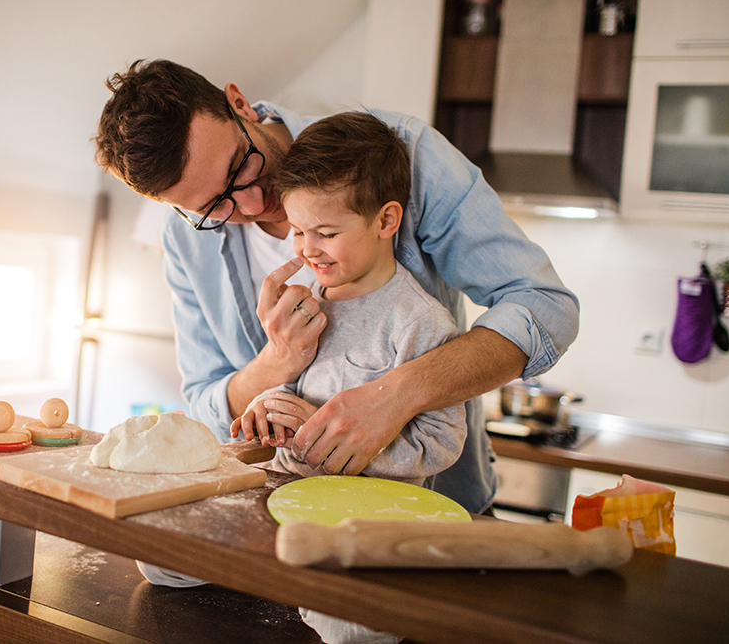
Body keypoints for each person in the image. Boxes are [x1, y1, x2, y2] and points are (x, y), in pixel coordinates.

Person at [94, 59, 579, 515]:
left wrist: (396, 395)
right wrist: (275, 366)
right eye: (212, 207)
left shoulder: (403, 154)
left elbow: (544, 306)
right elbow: (206, 404)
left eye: (241, 166)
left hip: (431, 513)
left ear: (239, 104)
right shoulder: (184, 236)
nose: (252, 202)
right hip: (283, 514)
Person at [230, 112, 466, 492]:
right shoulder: (304, 305)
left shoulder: (420, 323)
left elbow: (439, 444)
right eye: (297, 232)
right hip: (289, 505)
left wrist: (321, 434)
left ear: (386, 221)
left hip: (371, 526)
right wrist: (270, 406)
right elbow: (294, 388)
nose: (308, 250)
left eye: (325, 233)